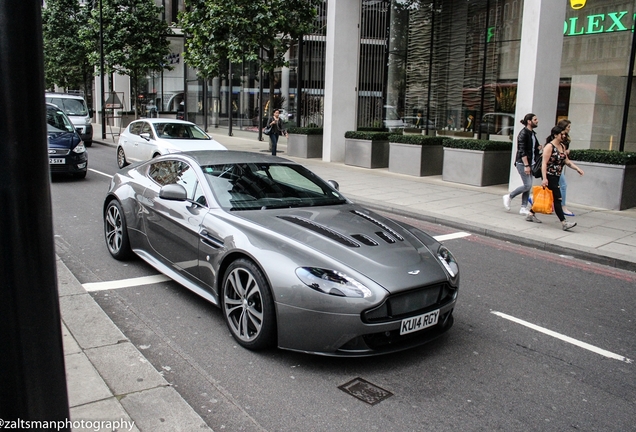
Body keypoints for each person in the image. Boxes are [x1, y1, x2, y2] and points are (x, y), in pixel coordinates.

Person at [534, 125, 584, 230]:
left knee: (548, 196)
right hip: (550, 175)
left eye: (565, 134)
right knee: (558, 198)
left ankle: (531, 213)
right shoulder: (549, 146)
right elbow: (544, 163)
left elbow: (567, 161)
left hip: (557, 175)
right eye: (562, 134)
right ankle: (564, 222)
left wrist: (577, 168)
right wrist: (544, 178)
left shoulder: (562, 146)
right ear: (555, 135)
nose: (564, 136)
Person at [503, 113, 541, 217]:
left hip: (531, 163)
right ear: (529, 121)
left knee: (528, 187)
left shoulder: (532, 133)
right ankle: (509, 196)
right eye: (535, 119)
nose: (537, 121)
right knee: (527, 185)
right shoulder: (523, 133)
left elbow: (534, 147)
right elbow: (522, 150)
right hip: (523, 163)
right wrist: (526, 165)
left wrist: (539, 148)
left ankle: (523, 207)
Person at [556, 119, 574, 216]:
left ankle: (534, 199)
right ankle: (563, 207)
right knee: (563, 185)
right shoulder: (556, 137)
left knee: (553, 186)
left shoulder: (566, 138)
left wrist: (566, 151)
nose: (569, 129)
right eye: (568, 127)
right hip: (554, 166)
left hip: (559, 165)